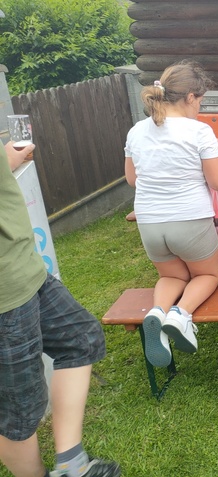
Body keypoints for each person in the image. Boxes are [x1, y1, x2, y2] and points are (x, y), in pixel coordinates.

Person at [0, 142, 120, 476]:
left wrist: (6, 159)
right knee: (19, 409)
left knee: (81, 338)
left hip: (26, 270)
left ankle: (71, 466)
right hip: (5, 294)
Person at [124, 60, 218, 368]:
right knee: (207, 275)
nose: (199, 107)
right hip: (189, 220)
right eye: (200, 101)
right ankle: (181, 315)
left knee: (172, 275)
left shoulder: (136, 131)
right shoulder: (199, 131)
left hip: (149, 222)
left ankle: (157, 313)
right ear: (190, 97)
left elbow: (132, 179)